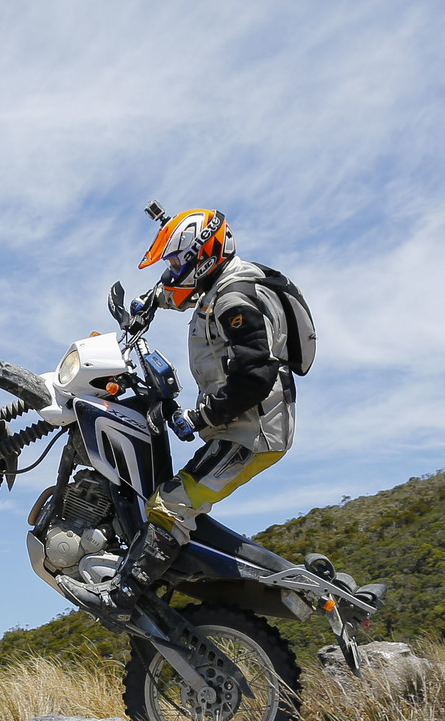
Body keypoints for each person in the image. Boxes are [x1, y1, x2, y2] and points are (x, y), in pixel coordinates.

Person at [107, 205, 305, 610]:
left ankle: (126, 595)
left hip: (254, 433)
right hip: (243, 425)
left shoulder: (234, 300)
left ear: (205, 253)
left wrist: (202, 416)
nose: (174, 269)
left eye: (179, 260)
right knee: (173, 496)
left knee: (172, 503)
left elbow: (255, 376)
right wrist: (151, 301)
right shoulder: (221, 284)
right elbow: (181, 291)